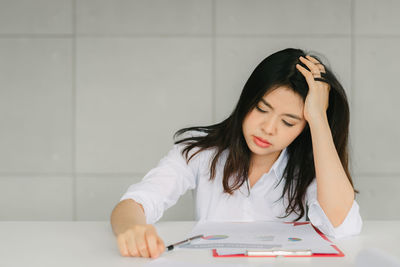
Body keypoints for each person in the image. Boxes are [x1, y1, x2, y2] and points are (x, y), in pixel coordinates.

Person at [110, 48, 362, 258]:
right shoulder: (201, 153)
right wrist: (133, 229)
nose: (268, 128)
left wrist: (318, 118)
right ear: (247, 100)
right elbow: (134, 204)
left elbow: (340, 223)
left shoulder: (309, 168)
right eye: (262, 109)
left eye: (289, 122)